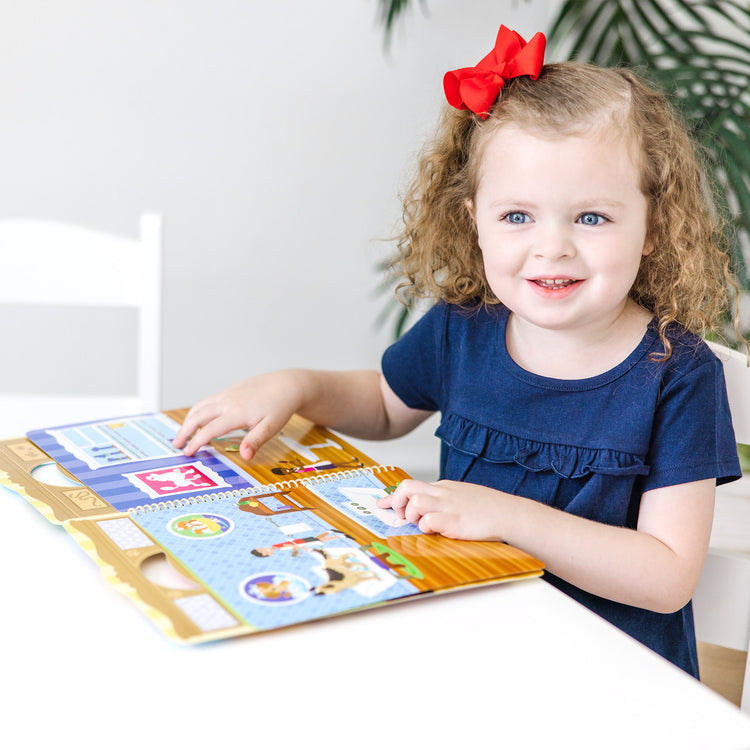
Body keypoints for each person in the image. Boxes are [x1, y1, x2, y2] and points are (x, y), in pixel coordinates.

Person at [173, 25, 743, 677]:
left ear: (652, 226)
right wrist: (295, 386)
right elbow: (386, 406)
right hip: (467, 652)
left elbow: (666, 575)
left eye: (591, 218)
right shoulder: (463, 329)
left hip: (607, 682)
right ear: (474, 219)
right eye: (517, 216)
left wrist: (503, 516)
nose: (551, 246)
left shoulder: (677, 373)